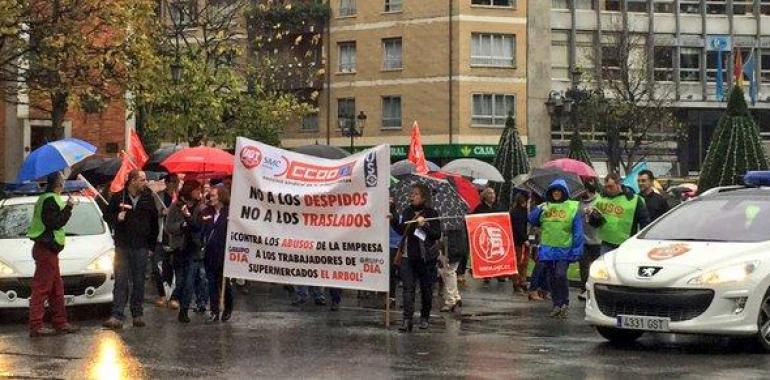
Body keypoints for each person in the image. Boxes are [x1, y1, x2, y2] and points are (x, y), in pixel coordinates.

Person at [103, 170, 159, 329]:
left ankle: (138, 314)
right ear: (133, 181)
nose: (145, 183)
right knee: (121, 281)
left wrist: (151, 246)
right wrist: (116, 218)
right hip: (123, 245)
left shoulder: (148, 199)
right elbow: (106, 216)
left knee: (139, 281)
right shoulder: (119, 197)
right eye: (142, 180)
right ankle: (117, 314)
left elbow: (154, 224)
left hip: (141, 246)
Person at [26, 172, 80, 337]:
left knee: (57, 288)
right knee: (42, 288)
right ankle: (36, 325)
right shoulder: (50, 199)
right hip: (46, 247)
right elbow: (55, 223)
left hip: (48, 248)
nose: (64, 181)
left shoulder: (48, 198)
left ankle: (60, 321)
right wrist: (69, 207)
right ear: (59, 183)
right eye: (62, 179)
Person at [528, 180, 583, 319]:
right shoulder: (546, 206)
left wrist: (576, 249)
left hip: (564, 249)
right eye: (554, 191)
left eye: (559, 191)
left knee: (560, 275)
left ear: (564, 192)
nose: (556, 193)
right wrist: (540, 209)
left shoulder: (572, 207)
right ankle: (556, 304)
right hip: (548, 249)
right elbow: (532, 220)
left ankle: (564, 302)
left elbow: (577, 230)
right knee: (551, 278)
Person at [392, 183, 442, 332]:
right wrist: (393, 219)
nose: (411, 196)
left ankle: (424, 317)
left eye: (415, 194)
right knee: (408, 289)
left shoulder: (431, 213)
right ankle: (407, 319)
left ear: (424, 197)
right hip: (408, 256)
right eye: (411, 194)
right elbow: (403, 230)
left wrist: (425, 225)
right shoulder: (407, 211)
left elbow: (436, 234)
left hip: (426, 258)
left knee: (426, 290)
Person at [165, 180, 204, 323]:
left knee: (189, 281)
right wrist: (181, 225)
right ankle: (178, 300)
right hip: (179, 249)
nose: (199, 192)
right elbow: (168, 227)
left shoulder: (201, 207)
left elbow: (199, 227)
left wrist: (189, 218)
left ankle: (184, 310)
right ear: (190, 190)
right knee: (180, 281)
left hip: (194, 249)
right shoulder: (176, 206)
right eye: (196, 189)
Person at [590, 173, 650, 254]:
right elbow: (595, 224)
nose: (608, 189)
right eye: (606, 187)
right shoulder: (602, 199)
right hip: (606, 243)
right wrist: (592, 216)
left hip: (627, 244)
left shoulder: (634, 200)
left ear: (619, 184)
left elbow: (645, 223)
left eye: (611, 186)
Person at [201, 186, 234, 324]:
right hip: (210, 252)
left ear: (221, 196)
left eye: (213, 195)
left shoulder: (229, 212)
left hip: (224, 253)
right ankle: (214, 311)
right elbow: (201, 228)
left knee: (224, 284)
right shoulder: (206, 211)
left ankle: (228, 307)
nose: (211, 198)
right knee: (212, 283)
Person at [152, 174, 178, 308]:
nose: (174, 184)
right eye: (172, 182)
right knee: (158, 268)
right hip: (160, 237)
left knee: (174, 268)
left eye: (176, 182)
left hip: (175, 238)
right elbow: (152, 213)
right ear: (166, 183)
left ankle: (174, 297)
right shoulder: (158, 196)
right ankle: (162, 295)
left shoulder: (179, 197)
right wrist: (162, 212)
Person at [472, 187, 507, 284]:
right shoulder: (479, 208)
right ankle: (487, 274)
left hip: (497, 234)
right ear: (484, 196)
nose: (492, 195)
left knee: (498, 255)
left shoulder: (499, 206)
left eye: (493, 193)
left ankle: (500, 274)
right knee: (487, 254)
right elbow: (474, 221)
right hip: (486, 235)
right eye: (489, 193)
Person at [578, 180, 602, 301]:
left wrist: (593, 214)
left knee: (596, 266)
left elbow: (601, 219)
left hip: (597, 239)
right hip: (583, 239)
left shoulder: (599, 201)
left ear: (588, 190)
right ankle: (584, 289)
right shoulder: (579, 203)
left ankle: (594, 290)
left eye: (583, 190)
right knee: (583, 265)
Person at [509, 192, 530, 294]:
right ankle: (517, 282)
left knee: (523, 262)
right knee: (519, 263)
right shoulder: (518, 212)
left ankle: (521, 281)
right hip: (519, 241)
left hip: (520, 240)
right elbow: (519, 227)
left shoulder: (518, 211)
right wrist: (525, 238)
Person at [387, 197, 402, 308]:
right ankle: (391, 296)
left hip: (396, 247)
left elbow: (400, 230)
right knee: (390, 273)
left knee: (395, 272)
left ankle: (392, 297)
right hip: (387, 246)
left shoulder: (398, 217)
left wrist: (393, 220)